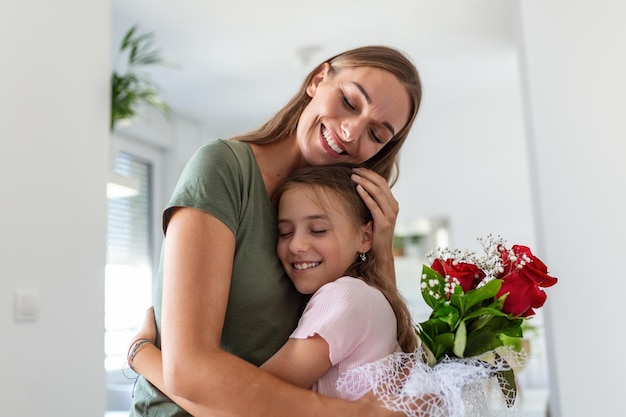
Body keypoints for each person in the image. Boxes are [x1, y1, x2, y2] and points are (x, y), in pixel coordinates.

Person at [128, 45, 423, 417]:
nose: (351, 132)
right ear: (318, 79)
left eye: (377, 134)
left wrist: (379, 250)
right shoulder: (223, 170)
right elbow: (188, 371)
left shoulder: (343, 226)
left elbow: (381, 361)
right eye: (349, 101)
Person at [129, 164, 420, 414]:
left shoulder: (346, 296)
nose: (296, 245)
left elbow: (236, 406)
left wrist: (141, 354)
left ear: (366, 236)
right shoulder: (372, 298)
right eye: (285, 232)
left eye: (318, 230)